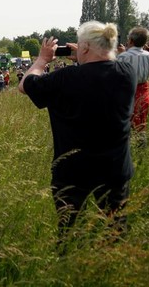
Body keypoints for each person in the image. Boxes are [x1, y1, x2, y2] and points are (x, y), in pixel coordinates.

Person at [18, 21, 136, 249]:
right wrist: (84, 56)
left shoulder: (66, 78)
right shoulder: (127, 73)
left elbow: (25, 85)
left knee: (69, 234)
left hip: (73, 171)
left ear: (84, 47)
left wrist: (43, 59)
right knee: (117, 230)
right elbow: (105, 66)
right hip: (115, 168)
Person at [117, 26, 149, 145]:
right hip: (143, 91)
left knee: (124, 121)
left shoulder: (123, 57)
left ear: (131, 41)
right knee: (141, 121)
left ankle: (126, 146)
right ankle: (141, 146)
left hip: (126, 92)